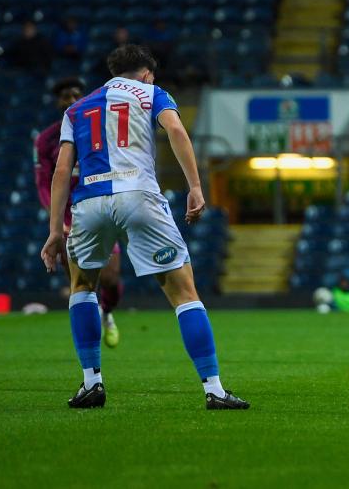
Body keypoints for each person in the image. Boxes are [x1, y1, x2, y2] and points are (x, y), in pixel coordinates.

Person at [40, 45, 249, 410]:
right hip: (138, 195)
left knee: (82, 287)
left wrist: (55, 230)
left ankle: (91, 383)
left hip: (88, 203)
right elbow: (176, 130)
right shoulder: (153, 93)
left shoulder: (76, 109)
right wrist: (195, 187)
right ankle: (214, 390)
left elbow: (61, 171)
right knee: (184, 294)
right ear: (147, 74)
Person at [34, 77, 124, 347]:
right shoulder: (46, 140)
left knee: (110, 278)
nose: (70, 100)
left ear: (84, 98)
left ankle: (107, 313)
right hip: (68, 218)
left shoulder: (101, 129)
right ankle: (90, 343)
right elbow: (44, 183)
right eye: (65, 96)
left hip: (99, 208)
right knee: (80, 283)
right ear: (57, 102)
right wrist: (56, 220)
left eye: (75, 94)